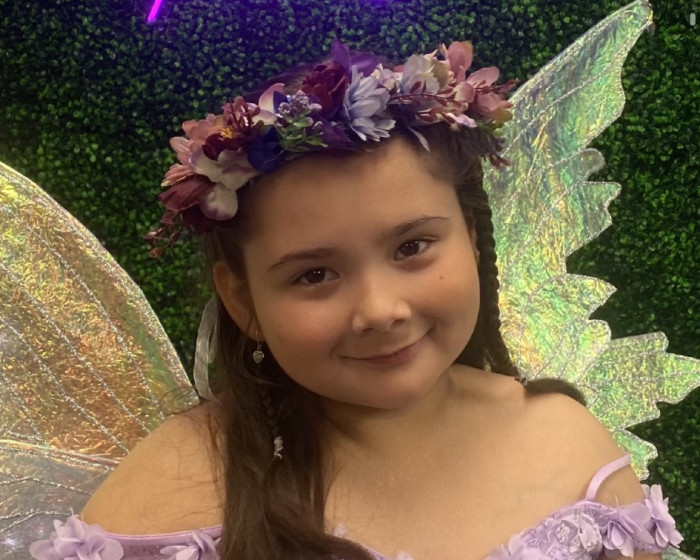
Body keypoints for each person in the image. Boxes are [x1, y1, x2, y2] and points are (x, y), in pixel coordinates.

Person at [29, 39, 682, 560]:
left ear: (473, 238)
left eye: (412, 247)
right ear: (242, 300)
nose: (380, 310)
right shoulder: (170, 492)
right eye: (314, 275)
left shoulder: (568, 448)